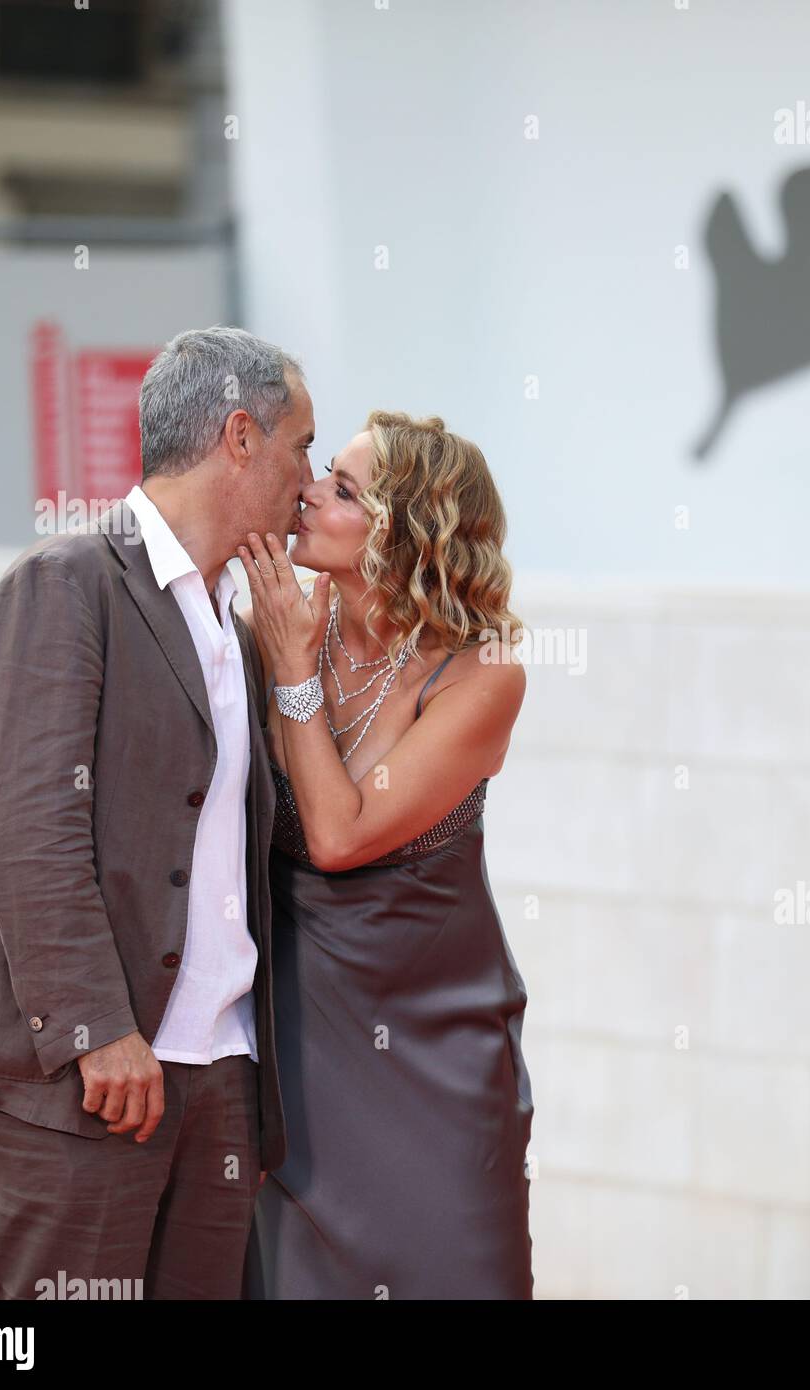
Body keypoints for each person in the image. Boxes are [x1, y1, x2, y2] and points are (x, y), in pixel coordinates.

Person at [0, 325, 309, 1299]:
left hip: (215, 1071)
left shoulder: (239, 630)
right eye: (300, 443)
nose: (311, 471)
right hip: (89, 1074)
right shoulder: (66, 585)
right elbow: (29, 828)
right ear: (240, 437)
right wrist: (94, 1028)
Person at [236, 410, 534, 1299]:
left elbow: (337, 836)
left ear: (405, 533)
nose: (310, 491)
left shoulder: (480, 676)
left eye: (344, 489)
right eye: (322, 470)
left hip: (434, 1052)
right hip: (298, 1045)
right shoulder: (279, 629)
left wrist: (290, 676)